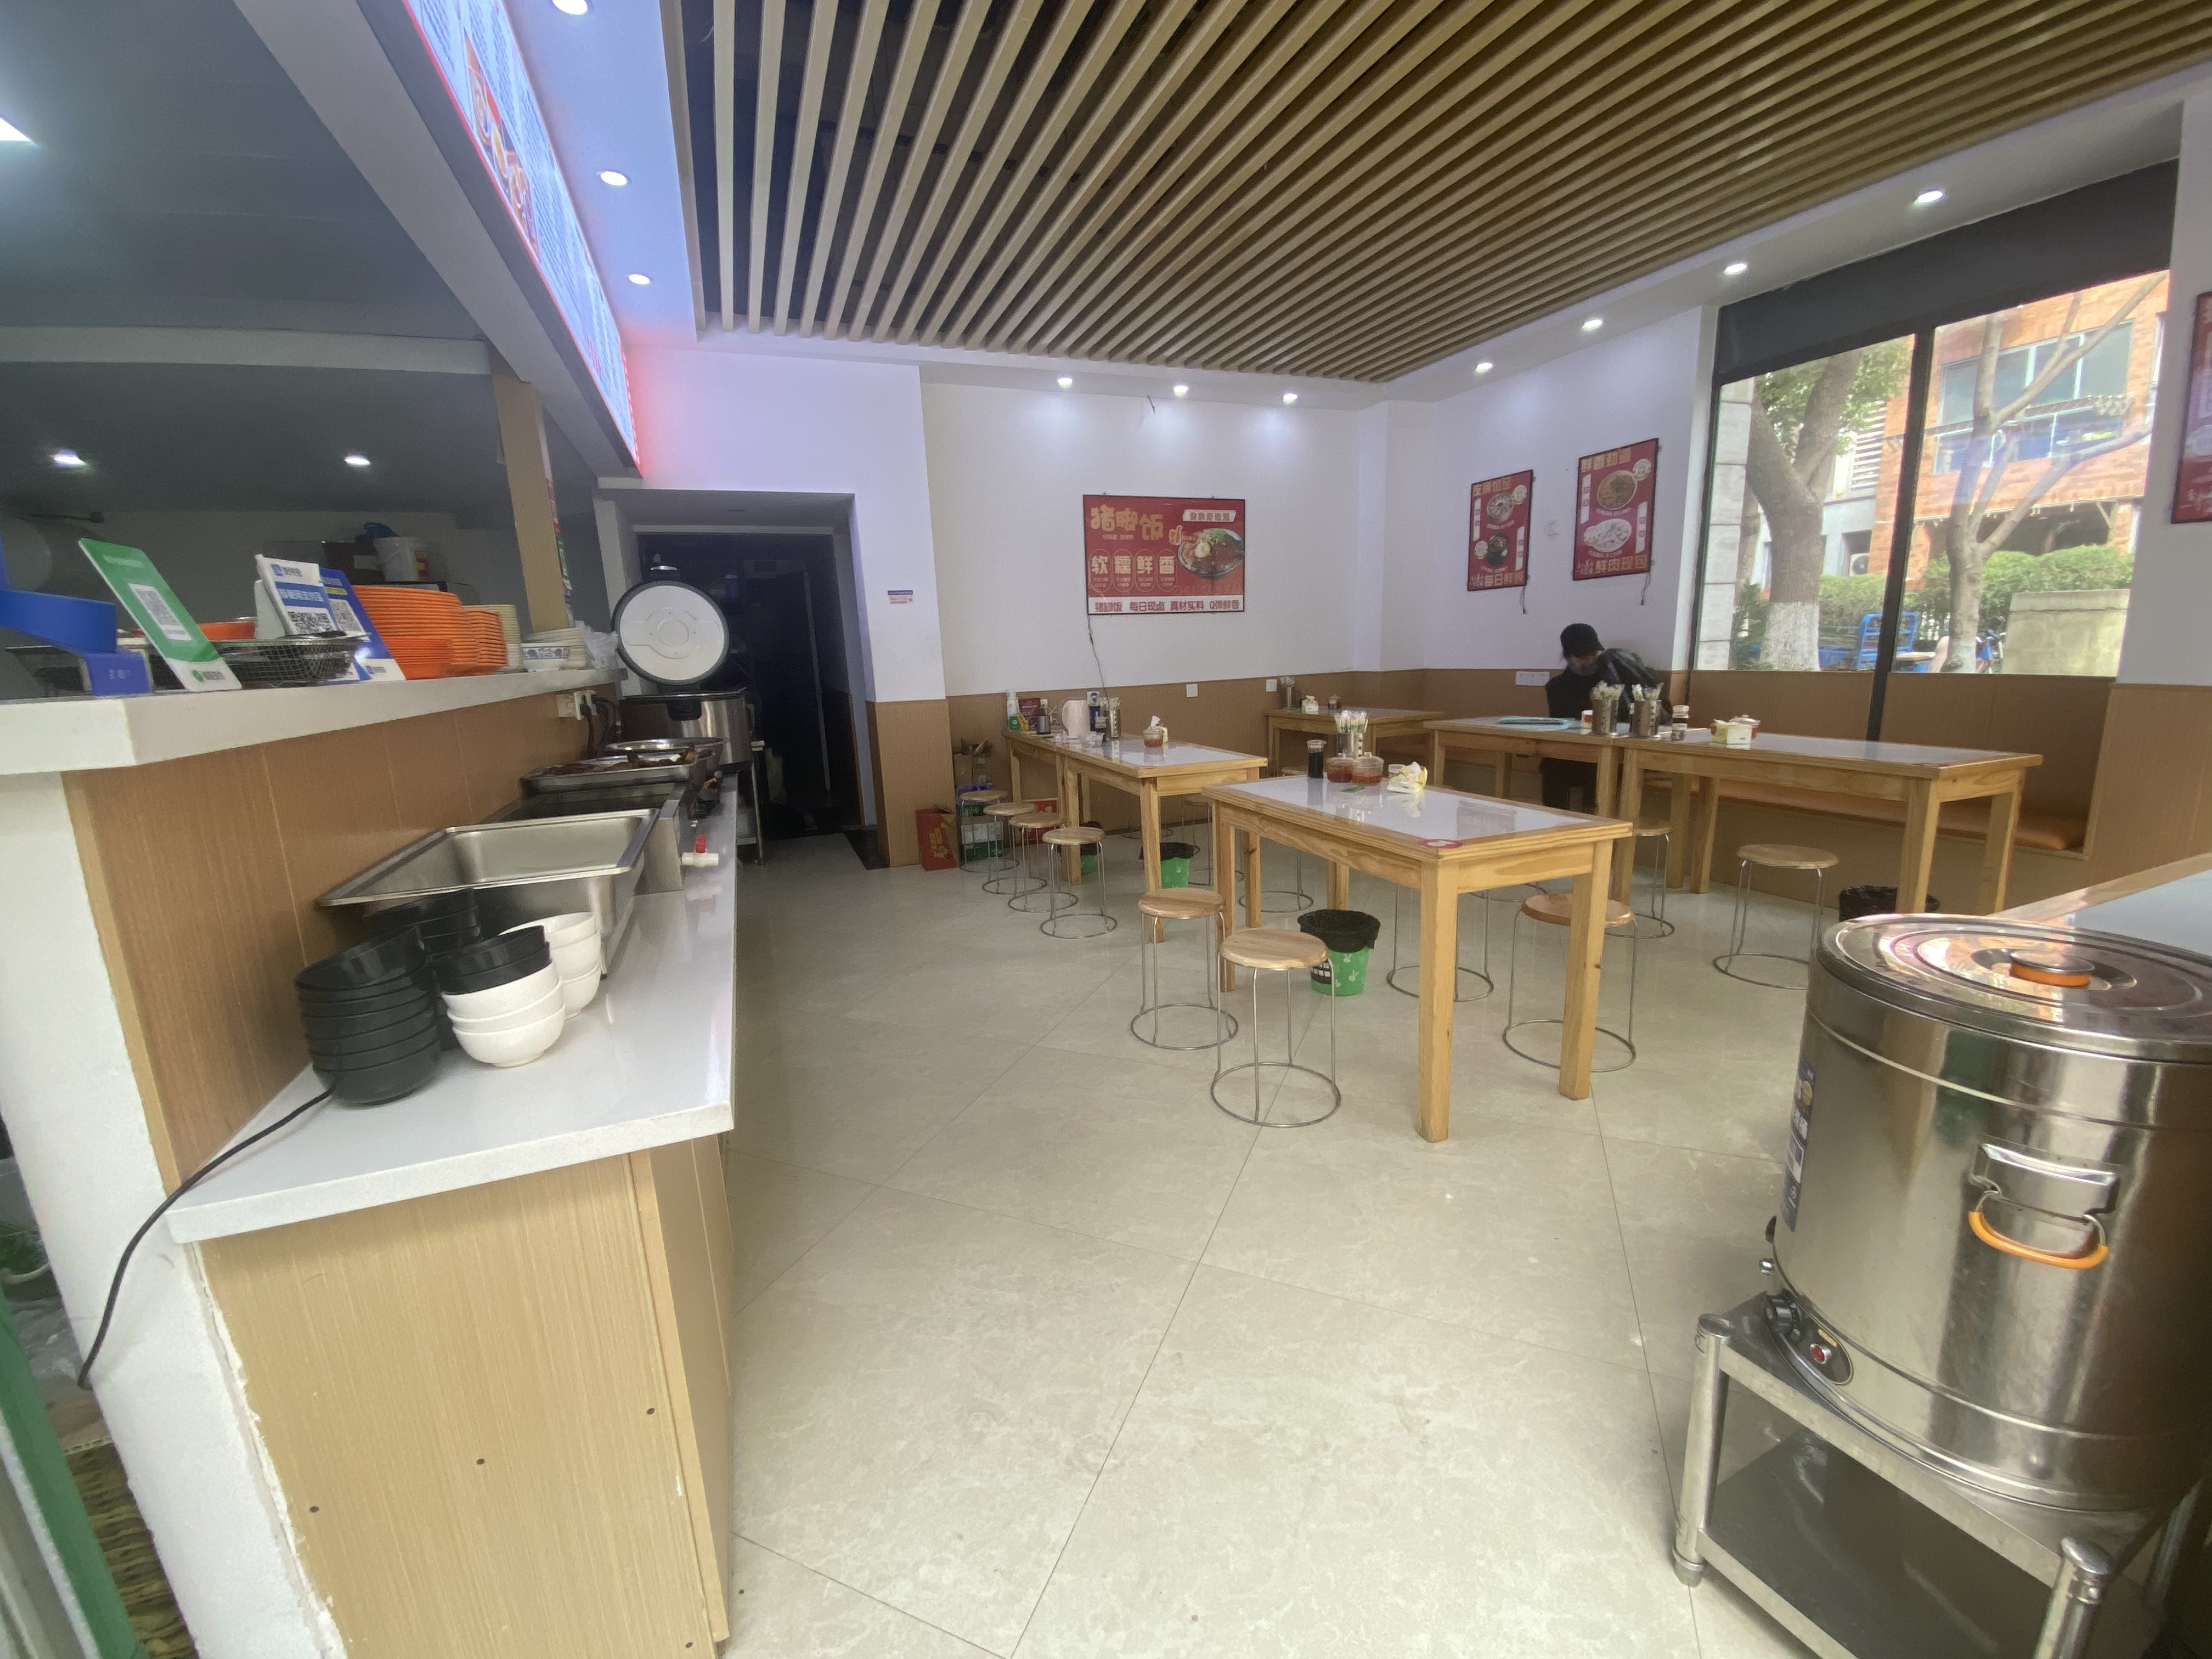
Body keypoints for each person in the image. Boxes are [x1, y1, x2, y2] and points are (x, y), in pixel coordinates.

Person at [1540, 623, 1661, 810]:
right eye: (1582, 657)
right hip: (1573, 751)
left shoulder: (1615, 679)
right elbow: (1561, 722)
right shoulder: (1558, 687)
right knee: (1552, 765)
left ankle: (1594, 819)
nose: (1590, 661)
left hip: (1612, 751)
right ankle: (1554, 819)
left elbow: (1629, 715)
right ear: (1568, 657)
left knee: (1602, 766)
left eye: (1593, 654)